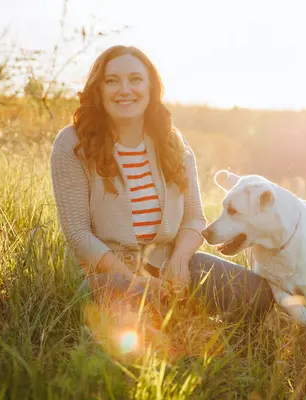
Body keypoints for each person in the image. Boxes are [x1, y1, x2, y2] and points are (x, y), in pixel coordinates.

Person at [50, 45, 273, 325]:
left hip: (169, 265)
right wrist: (135, 284)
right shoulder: (72, 143)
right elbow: (79, 235)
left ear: (151, 87)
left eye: (135, 79)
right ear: (99, 88)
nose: (125, 89)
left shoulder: (172, 141)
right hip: (111, 275)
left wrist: (180, 260)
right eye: (112, 81)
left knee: (257, 293)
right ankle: (160, 330)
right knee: (123, 312)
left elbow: (194, 218)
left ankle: (211, 338)